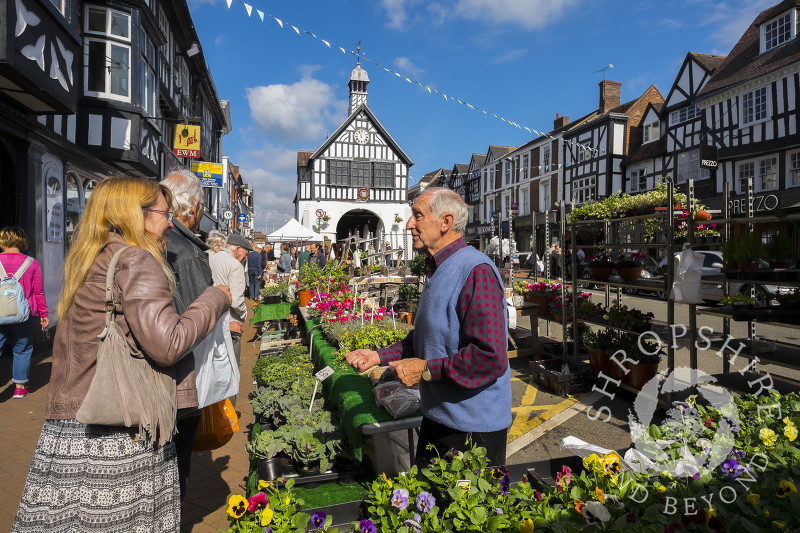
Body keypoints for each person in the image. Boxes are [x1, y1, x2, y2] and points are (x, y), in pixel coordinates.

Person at [13, 176, 231, 532]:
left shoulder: (91, 257)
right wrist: (215, 298)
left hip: (74, 423)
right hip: (120, 426)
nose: (170, 223)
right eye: (163, 213)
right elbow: (169, 343)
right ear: (138, 215)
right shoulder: (136, 260)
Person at [344, 187, 511, 467]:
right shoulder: (440, 268)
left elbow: (490, 357)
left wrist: (425, 370)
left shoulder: (476, 271)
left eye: (417, 215)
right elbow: (424, 338)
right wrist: (378, 356)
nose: (409, 224)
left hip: (472, 431)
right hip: (439, 418)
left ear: (445, 222)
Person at [160, 169, 217, 501]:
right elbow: (201, 318)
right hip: (179, 378)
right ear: (194, 208)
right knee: (174, 470)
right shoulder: (188, 251)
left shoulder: (156, 240)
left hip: (157, 376)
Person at [0, 226, 48, 399]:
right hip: (25, 314)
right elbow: (38, 292)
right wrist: (43, 314)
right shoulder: (31, 263)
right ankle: (20, 388)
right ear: (22, 241)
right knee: (22, 350)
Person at [209, 233, 249, 373]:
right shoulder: (234, 265)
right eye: (245, 252)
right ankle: (230, 395)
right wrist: (244, 314)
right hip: (230, 322)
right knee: (231, 367)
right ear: (237, 248)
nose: (245, 256)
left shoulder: (210, 258)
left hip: (210, 318)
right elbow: (237, 301)